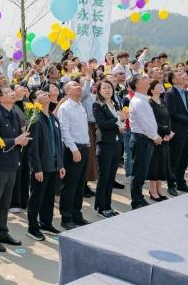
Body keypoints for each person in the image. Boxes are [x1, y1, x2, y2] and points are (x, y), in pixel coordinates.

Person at [0, 86, 31, 251]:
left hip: (12, 164)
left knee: (5, 203)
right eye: (8, 92)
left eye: (12, 91)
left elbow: (17, 137)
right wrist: (15, 141)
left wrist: (22, 140)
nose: (12, 93)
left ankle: (2, 232)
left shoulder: (15, 114)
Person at [25, 89, 64, 241]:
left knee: (49, 197)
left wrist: (60, 164)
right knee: (37, 197)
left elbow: (58, 143)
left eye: (45, 92)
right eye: (40, 94)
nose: (45, 94)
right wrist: (37, 168)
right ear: (34, 101)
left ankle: (46, 223)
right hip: (41, 166)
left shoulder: (53, 118)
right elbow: (32, 147)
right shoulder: (35, 119)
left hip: (54, 165)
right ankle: (32, 227)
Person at [57, 81, 91, 228]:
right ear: (67, 91)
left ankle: (77, 214)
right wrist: (73, 149)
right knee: (70, 185)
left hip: (84, 147)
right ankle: (66, 217)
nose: (79, 87)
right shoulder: (65, 107)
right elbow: (64, 130)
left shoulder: (80, 105)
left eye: (79, 85)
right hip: (73, 149)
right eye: (75, 85)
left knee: (80, 184)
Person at [128, 75, 161, 209]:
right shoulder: (138, 101)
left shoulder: (143, 99)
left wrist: (154, 135)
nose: (147, 81)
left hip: (146, 139)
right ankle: (136, 200)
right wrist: (155, 136)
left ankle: (139, 198)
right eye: (143, 79)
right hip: (142, 139)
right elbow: (145, 123)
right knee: (139, 172)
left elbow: (150, 121)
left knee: (142, 171)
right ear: (137, 85)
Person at [91, 80, 123, 217]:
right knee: (104, 177)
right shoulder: (97, 105)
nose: (108, 90)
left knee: (111, 177)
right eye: (104, 88)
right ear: (99, 91)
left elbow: (118, 123)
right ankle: (100, 207)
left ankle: (108, 206)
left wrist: (122, 124)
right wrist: (117, 119)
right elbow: (103, 124)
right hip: (105, 144)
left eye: (109, 87)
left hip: (116, 143)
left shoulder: (115, 104)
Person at [164, 71, 188, 195]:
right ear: (173, 80)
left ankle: (181, 183)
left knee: (184, 158)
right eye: (179, 75)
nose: (183, 76)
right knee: (174, 159)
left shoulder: (187, 93)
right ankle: (171, 185)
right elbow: (171, 113)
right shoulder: (170, 93)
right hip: (176, 131)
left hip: (187, 131)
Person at [146, 80, 174, 202]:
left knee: (163, 163)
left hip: (165, 137)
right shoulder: (149, 102)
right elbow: (152, 121)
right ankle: (152, 190)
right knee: (155, 164)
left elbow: (168, 118)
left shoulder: (162, 101)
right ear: (152, 90)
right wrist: (164, 132)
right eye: (158, 86)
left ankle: (159, 189)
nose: (161, 87)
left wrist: (169, 132)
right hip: (156, 137)